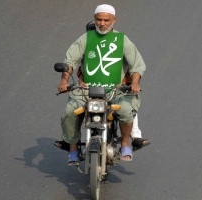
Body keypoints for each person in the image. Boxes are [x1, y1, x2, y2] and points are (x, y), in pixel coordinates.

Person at [57, 4, 148, 165]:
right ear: (94, 19)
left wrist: (134, 83)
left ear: (114, 20)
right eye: (99, 19)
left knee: (127, 110)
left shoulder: (122, 40)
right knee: (70, 111)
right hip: (86, 89)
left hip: (116, 90)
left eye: (106, 20)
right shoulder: (86, 38)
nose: (102, 23)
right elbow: (70, 61)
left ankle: (126, 144)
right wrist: (64, 80)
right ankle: (72, 149)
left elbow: (137, 65)